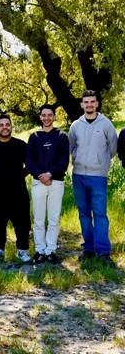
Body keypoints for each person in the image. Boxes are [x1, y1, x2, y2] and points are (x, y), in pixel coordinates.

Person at [69, 90, 117, 266]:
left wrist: (100, 162)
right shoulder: (75, 125)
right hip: (79, 175)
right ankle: (88, 248)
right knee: (84, 214)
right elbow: (71, 146)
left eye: (92, 102)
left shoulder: (106, 124)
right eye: (86, 102)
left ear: (97, 104)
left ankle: (103, 251)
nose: (89, 105)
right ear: (82, 105)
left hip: (98, 176)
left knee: (100, 214)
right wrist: (80, 160)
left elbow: (112, 148)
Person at [0, 114, 31, 262]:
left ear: (11, 126)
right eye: (1, 125)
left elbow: (29, 165)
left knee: (22, 223)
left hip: (18, 192)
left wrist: (18, 176)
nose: (4, 127)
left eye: (7, 124)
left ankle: (22, 251)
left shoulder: (21, 145)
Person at [26, 105, 69, 265]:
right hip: (38, 182)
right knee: (38, 219)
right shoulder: (34, 137)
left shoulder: (62, 136)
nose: (46, 118)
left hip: (56, 182)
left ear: (54, 116)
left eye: (49, 115)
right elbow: (29, 160)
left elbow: (64, 160)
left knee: (53, 219)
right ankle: (40, 251)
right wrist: (41, 175)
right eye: (44, 115)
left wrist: (50, 174)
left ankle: (50, 251)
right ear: (40, 117)